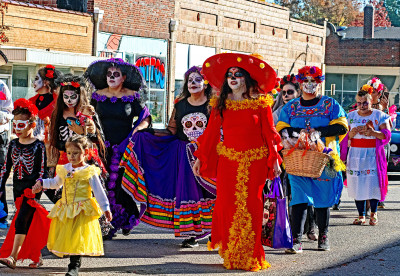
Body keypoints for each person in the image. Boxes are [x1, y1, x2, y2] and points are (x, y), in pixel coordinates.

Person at [192, 53, 282, 271]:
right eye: (230, 75)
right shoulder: (220, 103)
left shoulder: (261, 103)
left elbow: (270, 133)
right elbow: (211, 133)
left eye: (238, 74)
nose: (233, 78)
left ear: (246, 78)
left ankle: (251, 255)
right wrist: (200, 158)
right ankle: (233, 252)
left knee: (252, 205)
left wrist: (275, 159)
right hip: (228, 163)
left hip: (255, 162)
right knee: (228, 205)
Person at [120, 66, 216, 248]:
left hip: (207, 153)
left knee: (210, 191)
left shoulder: (212, 104)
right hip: (183, 155)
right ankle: (192, 235)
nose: (193, 83)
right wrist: (147, 133)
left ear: (205, 83)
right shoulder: (180, 104)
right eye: (190, 80)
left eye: (197, 80)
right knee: (189, 193)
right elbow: (172, 130)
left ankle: (214, 230)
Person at [276, 65, 348, 253]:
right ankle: (297, 240)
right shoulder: (290, 107)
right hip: (298, 159)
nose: (309, 84)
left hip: (324, 159)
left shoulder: (330, 105)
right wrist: (299, 133)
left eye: (313, 81)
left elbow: (341, 127)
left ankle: (323, 236)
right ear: (300, 83)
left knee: (323, 200)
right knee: (298, 199)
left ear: (319, 83)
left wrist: (318, 133)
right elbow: (281, 129)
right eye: (305, 81)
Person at [84, 58, 151, 237]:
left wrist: (135, 133)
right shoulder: (97, 95)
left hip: (125, 147)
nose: (111, 77)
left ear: (123, 77)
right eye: (109, 74)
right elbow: (88, 117)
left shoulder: (132, 95)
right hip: (101, 147)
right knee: (103, 183)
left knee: (122, 185)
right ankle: (108, 224)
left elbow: (145, 118)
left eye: (116, 74)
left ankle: (127, 217)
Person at [32, 135, 112, 276]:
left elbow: (98, 192)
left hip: (82, 209)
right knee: (68, 235)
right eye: (69, 153)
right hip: (67, 208)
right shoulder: (64, 169)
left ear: (85, 153)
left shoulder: (89, 171)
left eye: (75, 153)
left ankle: (74, 266)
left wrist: (106, 209)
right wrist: (42, 182)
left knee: (77, 236)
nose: (71, 156)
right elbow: (56, 183)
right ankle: (72, 263)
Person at [0, 99, 50, 269]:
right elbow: (5, 169)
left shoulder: (39, 146)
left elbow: (43, 169)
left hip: (32, 188)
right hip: (17, 188)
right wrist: (0, 187)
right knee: (29, 221)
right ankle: (37, 255)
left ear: (32, 125)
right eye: (15, 125)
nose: (16, 129)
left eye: (21, 125)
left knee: (21, 219)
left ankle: (12, 257)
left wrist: (40, 183)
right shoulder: (13, 144)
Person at [346, 85, 390, 226]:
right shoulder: (351, 116)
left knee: (373, 184)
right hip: (355, 155)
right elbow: (344, 138)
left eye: (365, 102)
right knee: (357, 183)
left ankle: (373, 213)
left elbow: (386, 136)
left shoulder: (379, 115)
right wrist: (351, 134)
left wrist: (372, 133)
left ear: (371, 101)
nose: (362, 105)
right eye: (359, 102)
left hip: (372, 155)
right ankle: (361, 215)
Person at [29, 65, 61, 203]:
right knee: (31, 190)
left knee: (51, 189)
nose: (33, 83)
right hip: (33, 151)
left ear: (46, 82)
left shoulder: (59, 102)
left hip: (52, 152)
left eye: (37, 79)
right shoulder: (30, 102)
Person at [0, 79, 13, 228]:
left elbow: (10, 111)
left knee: (0, 176)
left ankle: (1, 216)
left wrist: (0, 116)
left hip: (0, 136)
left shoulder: (1, 85)